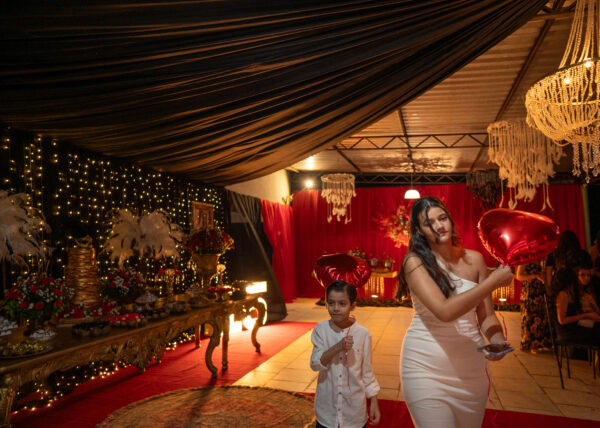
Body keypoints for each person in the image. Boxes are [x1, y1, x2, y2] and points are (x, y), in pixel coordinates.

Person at [398, 196, 513, 428]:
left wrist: (497, 339)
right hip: (425, 368)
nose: (439, 226)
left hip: (471, 371)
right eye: (429, 223)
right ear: (419, 231)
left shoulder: (475, 260)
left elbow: (486, 315)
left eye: (442, 218)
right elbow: (444, 311)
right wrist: (493, 282)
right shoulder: (414, 262)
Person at [310, 280, 381, 428]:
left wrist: (374, 401)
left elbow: (367, 371)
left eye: (342, 304)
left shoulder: (363, 333)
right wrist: (337, 347)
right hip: (327, 412)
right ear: (326, 304)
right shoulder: (321, 330)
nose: (336, 308)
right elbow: (315, 364)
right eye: (331, 303)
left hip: (353, 413)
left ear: (353, 306)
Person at [552, 268, 600, 344]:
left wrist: (588, 312)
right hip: (568, 331)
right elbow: (562, 320)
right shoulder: (563, 294)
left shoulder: (570, 292)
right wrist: (585, 316)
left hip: (575, 325)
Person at [517, 261, 552, 353]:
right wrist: (534, 276)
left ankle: (541, 343)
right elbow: (519, 276)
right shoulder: (525, 258)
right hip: (529, 291)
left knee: (540, 317)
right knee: (530, 317)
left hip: (539, 290)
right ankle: (531, 344)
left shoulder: (542, 259)